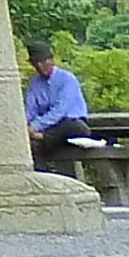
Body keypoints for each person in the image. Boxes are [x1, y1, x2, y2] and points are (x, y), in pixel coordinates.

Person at [25, 35, 92, 169]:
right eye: (35, 63)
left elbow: (60, 110)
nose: (39, 66)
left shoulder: (67, 79)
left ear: (51, 61)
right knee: (32, 146)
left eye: (42, 62)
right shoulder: (35, 84)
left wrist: (36, 126)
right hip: (48, 129)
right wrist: (26, 126)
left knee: (73, 126)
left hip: (70, 124)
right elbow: (30, 109)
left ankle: (42, 138)